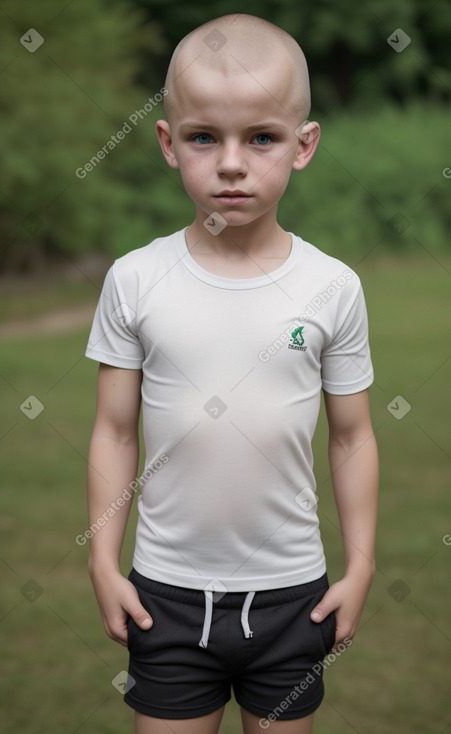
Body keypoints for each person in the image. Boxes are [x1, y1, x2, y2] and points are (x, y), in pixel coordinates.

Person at [85, 12, 378, 734]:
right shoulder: (135, 280)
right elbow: (114, 431)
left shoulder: (332, 287)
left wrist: (361, 564)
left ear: (303, 146)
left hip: (291, 598)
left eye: (262, 138)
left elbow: (352, 439)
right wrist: (102, 559)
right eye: (204, 137)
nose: (231, 163)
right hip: (167, 597)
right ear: (168, 142)